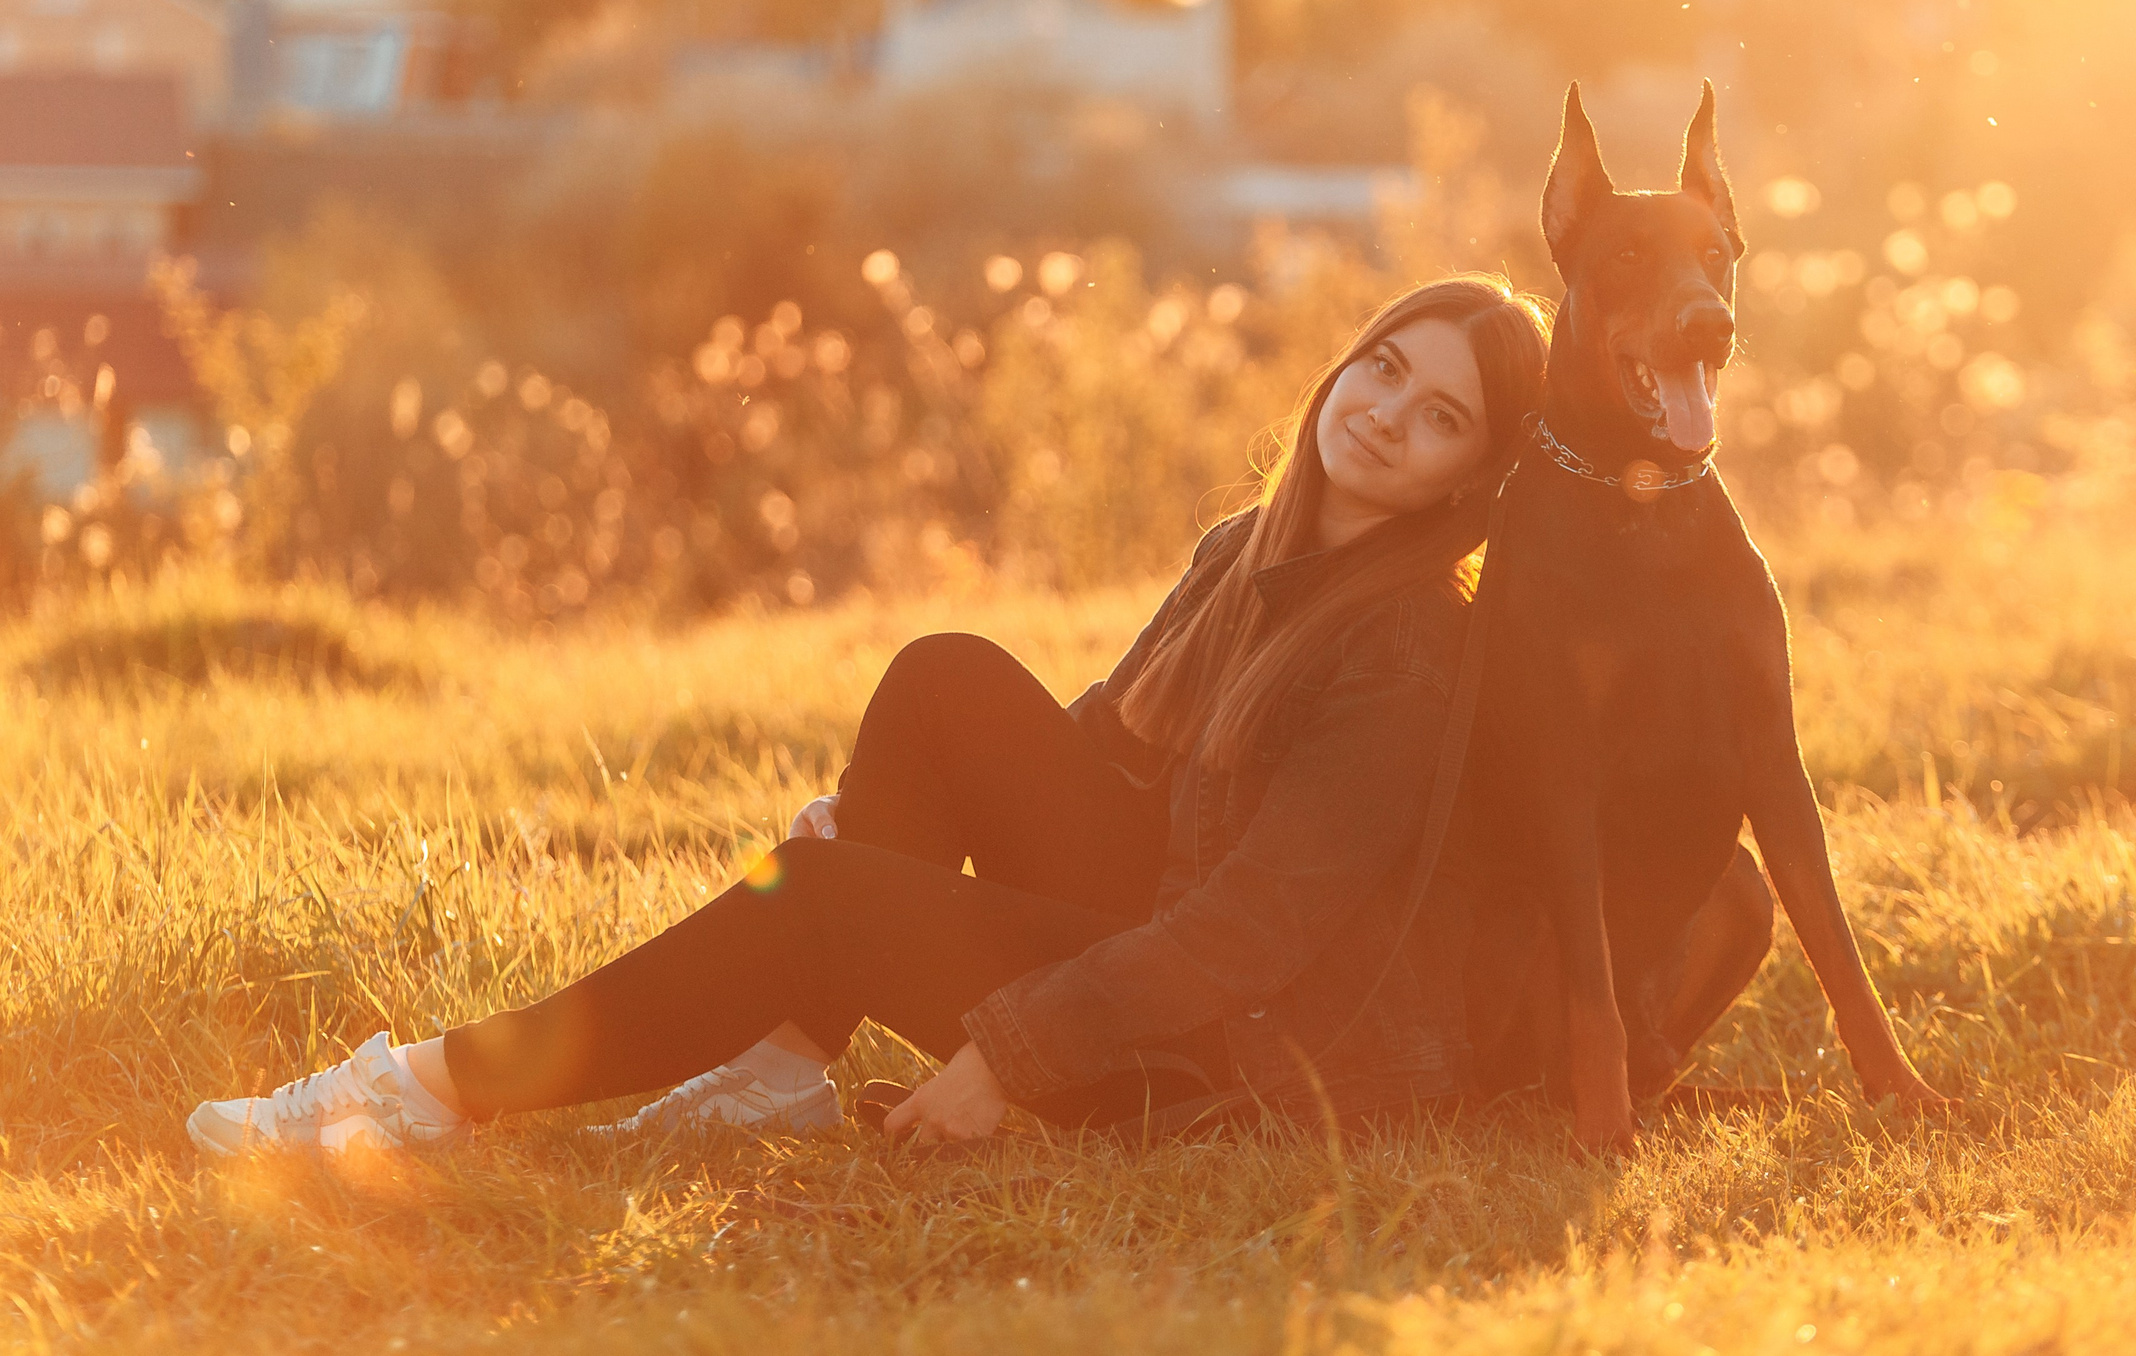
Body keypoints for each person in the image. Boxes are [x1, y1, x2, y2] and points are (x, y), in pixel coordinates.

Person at [188, 274, 1552, 1155]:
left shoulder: (1410, 646)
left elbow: (1253, 936)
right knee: (947, 674)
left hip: (1221, 1055)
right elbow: (1091, 765)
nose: (1386, 417)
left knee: (828, 901)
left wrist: (1009, 1060)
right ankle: (786, 1063)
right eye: (1384, 369)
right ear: (1347, 363)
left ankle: (419, 1094)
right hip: (1156, 927)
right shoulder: (1245, 550)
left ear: (1460, 483)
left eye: (1439, 419)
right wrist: (892, 834)